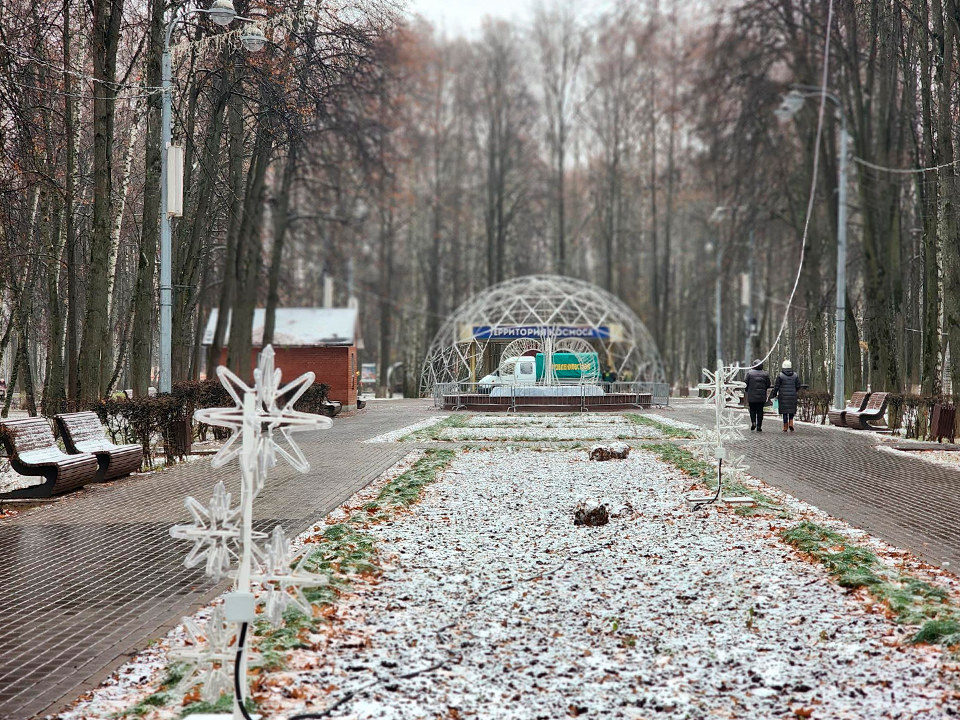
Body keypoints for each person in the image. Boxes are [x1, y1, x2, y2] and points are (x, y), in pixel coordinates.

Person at [771, 359, 801, 432]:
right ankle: (791, 423)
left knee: (785, 412)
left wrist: (774, 394)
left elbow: (777, 386)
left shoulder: (780, 375)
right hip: (792, 395)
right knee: (791, 410)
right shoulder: (795, 375)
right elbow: (798, 385)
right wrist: (794, 391)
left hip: (783, 396)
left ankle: (785, 426)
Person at [744, 360, 771, 432]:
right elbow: (768, 384)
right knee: (760, 411)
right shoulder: (765, 374)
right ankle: (759, 426)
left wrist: (747, 390)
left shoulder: (749, 373)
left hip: (752, 395)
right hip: (761, 396)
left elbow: (745, 383)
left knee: (752, 409)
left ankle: (753, 422)